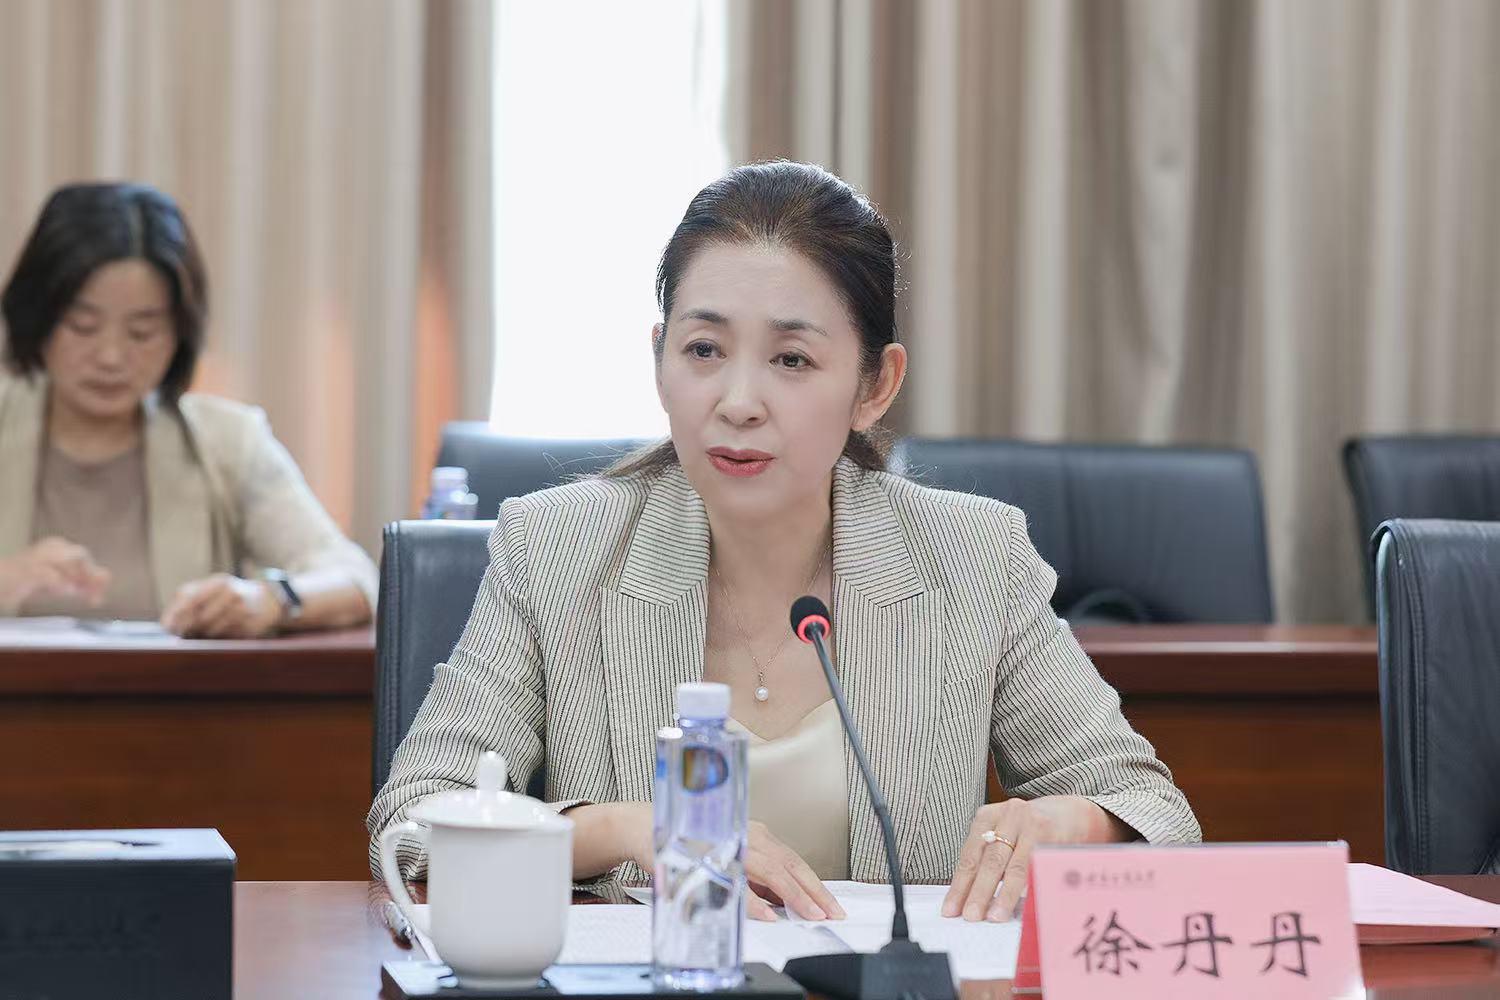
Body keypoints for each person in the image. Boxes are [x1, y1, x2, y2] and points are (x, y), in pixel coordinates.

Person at [369, 161, 1199, 923]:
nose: (738, 401)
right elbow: (411, 823)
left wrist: (1069, 822)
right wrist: (623, 829)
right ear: (659, 361)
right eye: (703, 349)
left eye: (792, 360)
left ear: (875, 385)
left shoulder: (973, 557)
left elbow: (1154, 811)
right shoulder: (556, 550)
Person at [0, 182, 375, 635]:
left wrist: (270, 600)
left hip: (182, 685)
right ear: (37, 318)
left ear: (180, 334)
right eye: (83, 326)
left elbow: (356, 579)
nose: (111, 357)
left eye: (142, 332)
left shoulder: (227, 442)